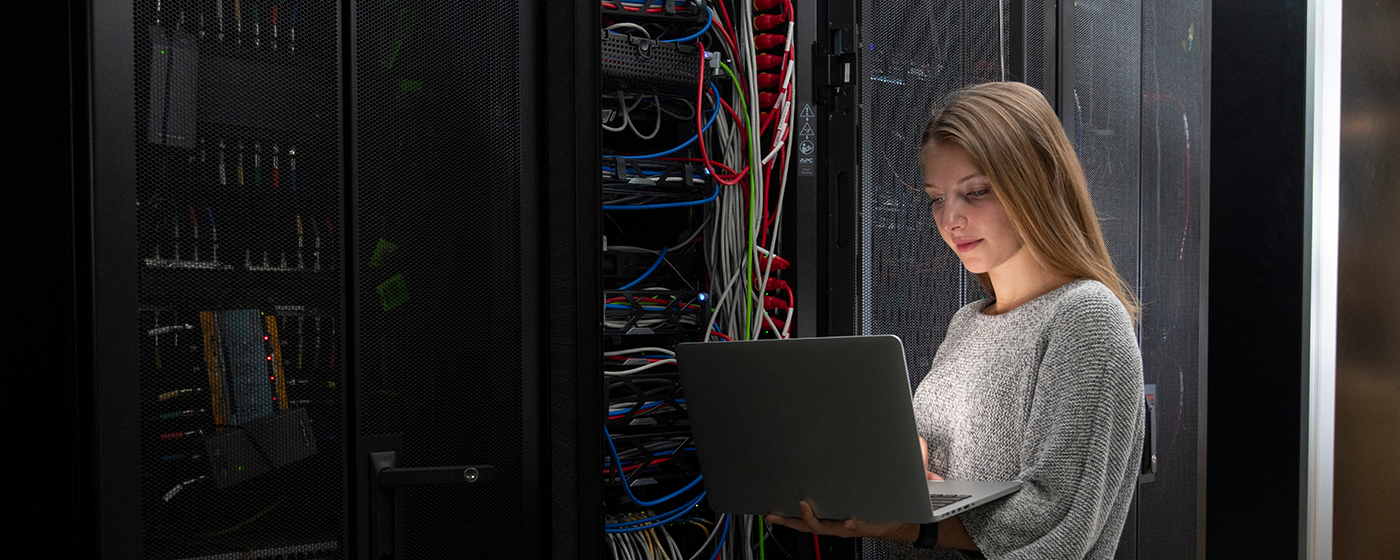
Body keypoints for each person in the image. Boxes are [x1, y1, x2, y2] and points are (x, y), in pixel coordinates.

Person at [764, 81, 1146, 559]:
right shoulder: (968, 323)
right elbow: (935, 479)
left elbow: (1057, 522)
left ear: (1041, 181)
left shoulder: (1086, 316)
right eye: (937, 198)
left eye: (976, 192)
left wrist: (910, 525)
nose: (950, 220)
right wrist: (894, 468)